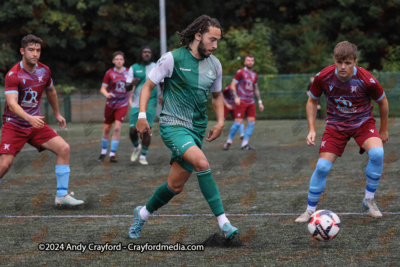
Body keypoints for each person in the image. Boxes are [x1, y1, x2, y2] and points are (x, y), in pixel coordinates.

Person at [128, 15, 239, 240]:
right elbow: (148, 87)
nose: (215, 45)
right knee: (201, 163)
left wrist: (219, 122)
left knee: (175, 186)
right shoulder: (172, 58)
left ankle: (142, 213)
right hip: (173, 126)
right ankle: (224, 223)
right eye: (212, 39)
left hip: (196, 130)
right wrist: (141, 115)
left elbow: (217, 97)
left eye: (218, 41)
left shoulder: (215, 64)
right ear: (198, 35)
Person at [295, 41, 389, 222]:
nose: (343, 67)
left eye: (348, 63)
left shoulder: (367, 79)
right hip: (335, 125)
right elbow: (312, 101)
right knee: (322, 167)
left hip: (362, 123)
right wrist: (312, 129)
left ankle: (369, 199)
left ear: (355, 61)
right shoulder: (323, 77)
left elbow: (383, 102)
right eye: (339, 62)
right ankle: (309, 210)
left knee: (377, 153)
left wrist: (383, 130)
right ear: (334, 60)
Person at [0, 34, 84, 206]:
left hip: (35, 124)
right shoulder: (13, 75)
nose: (35, 54)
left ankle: (61, 195)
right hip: (14, 125)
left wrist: (58, 114)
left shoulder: (44, 70)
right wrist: (29, 118)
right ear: (22, 51)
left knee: (64, 148)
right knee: (5, 165)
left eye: (38, 50)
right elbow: (12, 104)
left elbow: (51, 91)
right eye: (31, 50)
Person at [126, 46, 163, 165]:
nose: (146, 54)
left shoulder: (156, 67)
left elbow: (162, 83)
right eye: (144, 52)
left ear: (151, 54)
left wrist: (162, 94)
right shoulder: (134, 68)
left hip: (152, 102)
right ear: (141, 54)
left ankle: (143, 156)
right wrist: (132, 83)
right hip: (137, 103)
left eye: (149, 52)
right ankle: (137, 147)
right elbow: (127, 87)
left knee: (147, 130)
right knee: (132, 130)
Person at [223, 55, 264, 150]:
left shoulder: (255, 74)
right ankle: (228, 142)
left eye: (252, 60)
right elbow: (233, 85)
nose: (250, 62)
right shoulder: (240, 72)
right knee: (238, 123)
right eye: (248, 60)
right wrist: (236, 97)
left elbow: (256, 89)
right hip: (241, 101)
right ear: (245, 62)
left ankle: (244, 144)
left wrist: (260, 102)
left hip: (251, 101)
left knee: (251, 123)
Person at [98, 51, 130, 163]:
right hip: (110, 104)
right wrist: (107, 94)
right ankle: (103, 152)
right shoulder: (109, 73)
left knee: (117, 128)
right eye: (117, 59)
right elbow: (102, 88)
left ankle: (112, 154)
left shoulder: (129, 72)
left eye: (121, 59)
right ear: (113, 61)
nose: (119, 61)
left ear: (124, 61)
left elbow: (131, 87)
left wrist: (130, 99)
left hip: (122, 104)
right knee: (107, 128)